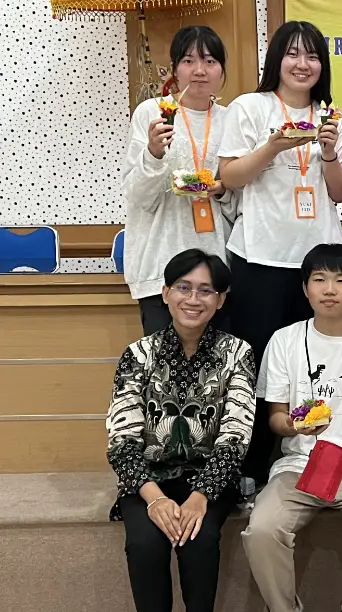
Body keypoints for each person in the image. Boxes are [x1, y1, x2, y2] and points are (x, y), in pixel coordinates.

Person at [218, 20, 342, 484]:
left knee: (314, 364)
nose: (302, 64)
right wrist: (273, 146)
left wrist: (329, 152)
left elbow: (340, 194)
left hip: (317, 263)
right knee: (255, 364)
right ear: (276, 59)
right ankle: (250, 466)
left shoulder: (333, 118)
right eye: (292, 53)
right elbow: (229, 177)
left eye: (312, 55)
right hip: (260, 258)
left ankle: (315, 460)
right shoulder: (250, 108)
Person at [241, 244, 342, 612]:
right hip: (298, 464)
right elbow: (275, 418)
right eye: (319, 280)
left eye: (341, 280)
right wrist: (295, 425)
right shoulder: (284, 341)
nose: (329, 290)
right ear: (305, 288)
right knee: (261, 529)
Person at [105, 249, 256, 612]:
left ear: (220, 300)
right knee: (144, 544)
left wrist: (201, 495)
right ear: (165, 293)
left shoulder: (238, 353)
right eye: (183, 287)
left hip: (210, 478)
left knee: (200, 540)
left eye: (206, 290)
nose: (193, 299)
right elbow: (121, 439)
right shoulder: (138, 354)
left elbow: (235, 436)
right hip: (147, 479)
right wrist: (155, 499)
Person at [122, 26, 235, 335]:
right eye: (188, 61)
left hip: (216, 268)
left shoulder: (231, 119)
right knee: (163, 362)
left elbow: (242, 198)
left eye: (210, 61)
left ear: (222, 69)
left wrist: (221, 189)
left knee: (214, 362)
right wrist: (154, 153)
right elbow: (137, 196)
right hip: (161, 265)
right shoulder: (153, 113)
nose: (199, 70)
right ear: (174, 69)